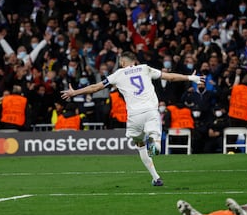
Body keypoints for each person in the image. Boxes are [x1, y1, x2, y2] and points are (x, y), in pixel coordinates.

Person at [61, 51, 203, 186]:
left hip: (135, 116)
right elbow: (170, 77)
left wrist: (75, 92)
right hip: (150, 111)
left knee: (140, 145)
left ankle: (156, 177)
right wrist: (190, 77)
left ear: (122, 62)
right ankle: (156, 144)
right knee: (155, 137)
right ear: (134, 61)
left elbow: (95, 87)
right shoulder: (145, 68)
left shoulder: (117, 74)